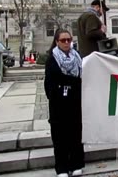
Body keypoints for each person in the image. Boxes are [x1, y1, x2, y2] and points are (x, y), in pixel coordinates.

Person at [45, 29, 84, 177]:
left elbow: (82, 75)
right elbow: (52, 80)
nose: (67, 42)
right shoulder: (52, 58)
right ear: (57, 42)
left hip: (75, 101)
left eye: (69, 39)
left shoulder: (77, 56)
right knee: (60, 137)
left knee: (75, 134)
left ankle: (76, 163)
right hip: (59, 103)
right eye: (63, 40)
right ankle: (61, 167)